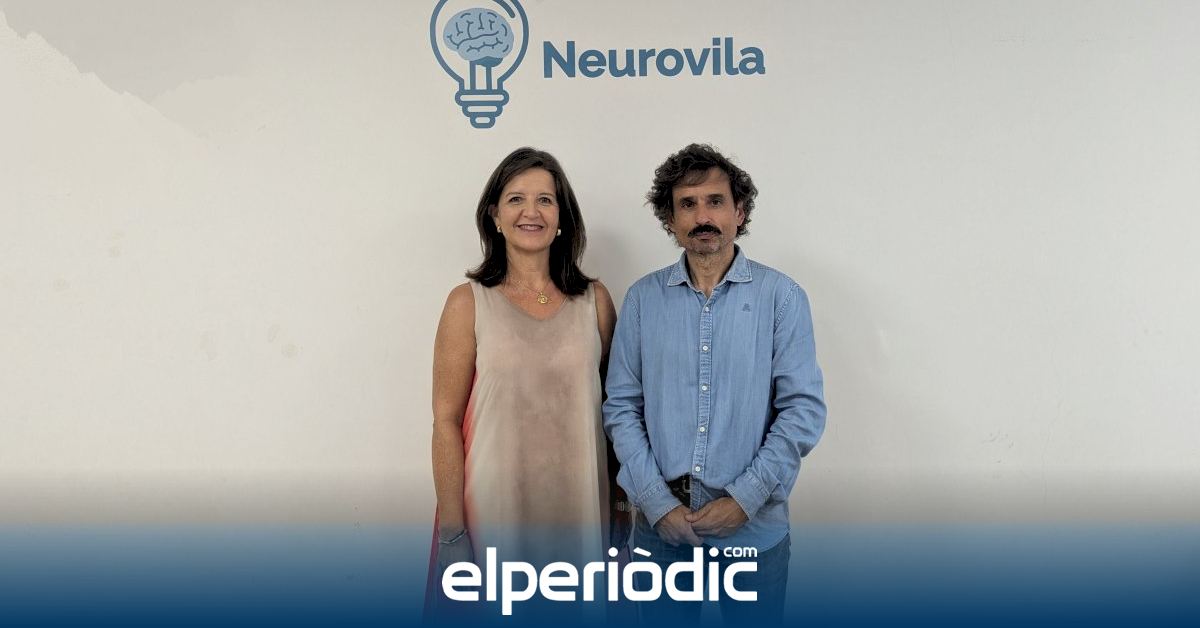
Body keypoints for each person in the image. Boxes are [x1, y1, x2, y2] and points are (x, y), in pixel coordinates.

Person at [603, 143, 826, 624]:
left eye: (715, 201)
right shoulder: (642, 300)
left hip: (753, 534)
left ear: (739, 212)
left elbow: (802, 411)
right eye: (687, 204)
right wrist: (658, 504)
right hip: (662, 532)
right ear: (670, 219)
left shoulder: (782, 298)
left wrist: (744, 500)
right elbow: (621, 408)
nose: (702, 216)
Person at [426, 147, 629, 618]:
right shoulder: (466, 302)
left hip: (581, 512)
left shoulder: (595, 302)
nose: (531, 212)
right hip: (492, 514)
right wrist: (453, 534)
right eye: (516, 199)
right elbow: (445, 421)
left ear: (562, 218)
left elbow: (617, 417)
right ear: (494, 216)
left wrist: (621, 510)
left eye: (545, 200)